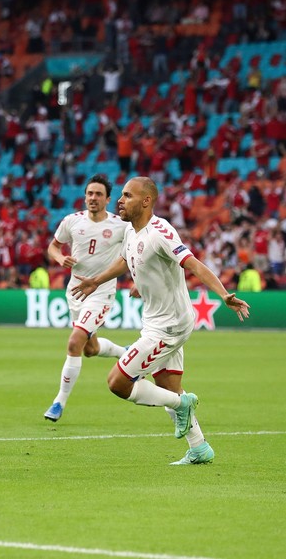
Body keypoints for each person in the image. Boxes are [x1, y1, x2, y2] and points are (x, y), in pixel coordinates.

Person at [72, 177, 249, 465]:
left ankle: (184, 404)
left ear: (146, 201)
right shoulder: (131, 231)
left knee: (118, 382)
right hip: (160, 321)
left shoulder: (160, 232)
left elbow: (192, 263)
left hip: (169, 326)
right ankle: (199, 448)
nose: (120, 200)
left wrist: (224, 294)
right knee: (166, 387)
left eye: (127, 196)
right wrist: (96, 280)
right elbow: (125, 259)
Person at [43, 174, 129, 422]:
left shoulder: (120, 226)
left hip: (101, 292)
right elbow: (53, 246)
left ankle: (59, 402)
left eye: (98, 194)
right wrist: (60, 259)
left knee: (74, 343)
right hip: (76, 291)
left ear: (108, 199)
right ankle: (122, 351)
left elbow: (135, 252)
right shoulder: (72, 222)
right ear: (85, 196)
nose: (93, 198)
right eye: (90, 193)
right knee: (89, 349)